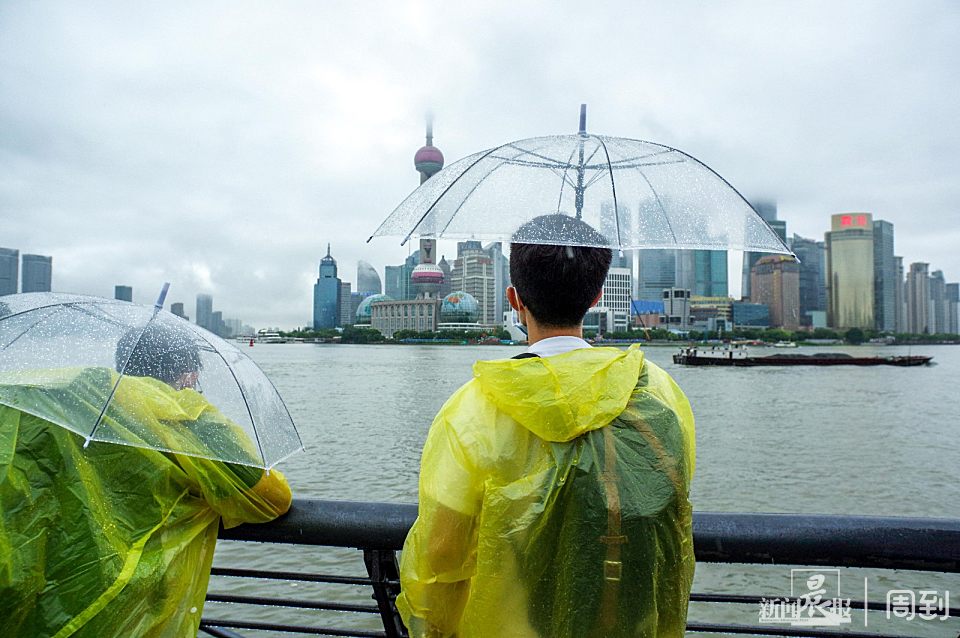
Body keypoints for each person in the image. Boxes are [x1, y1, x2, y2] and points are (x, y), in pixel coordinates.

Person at [396, 214, 696, 637]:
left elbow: (442, 552)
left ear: (514, 299)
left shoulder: (474, 407)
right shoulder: (657, 390)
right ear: (597, 297)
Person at [0, 320, 293, 637]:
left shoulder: (68, 396)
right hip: (118, 601)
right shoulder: (183, 414)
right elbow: (270, 499)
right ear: (187, 373)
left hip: (33, 592)